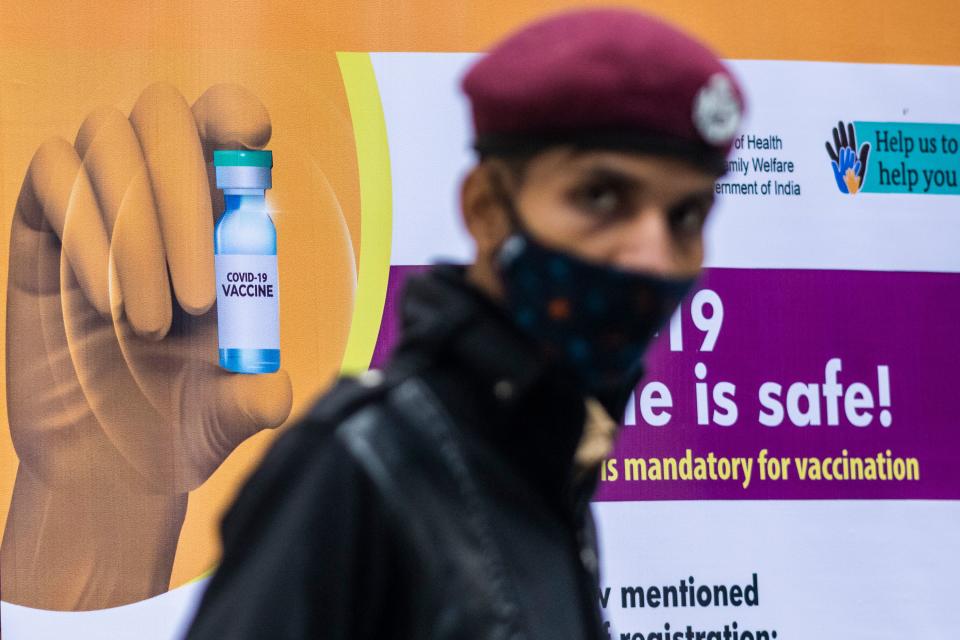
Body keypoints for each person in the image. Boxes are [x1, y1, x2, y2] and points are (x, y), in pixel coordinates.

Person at [184, 8, 744, 640]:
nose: (651, 255)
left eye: (686, 217)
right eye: (600, 197)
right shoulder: (360, 465)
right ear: (484, 209)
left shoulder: (547, 461)